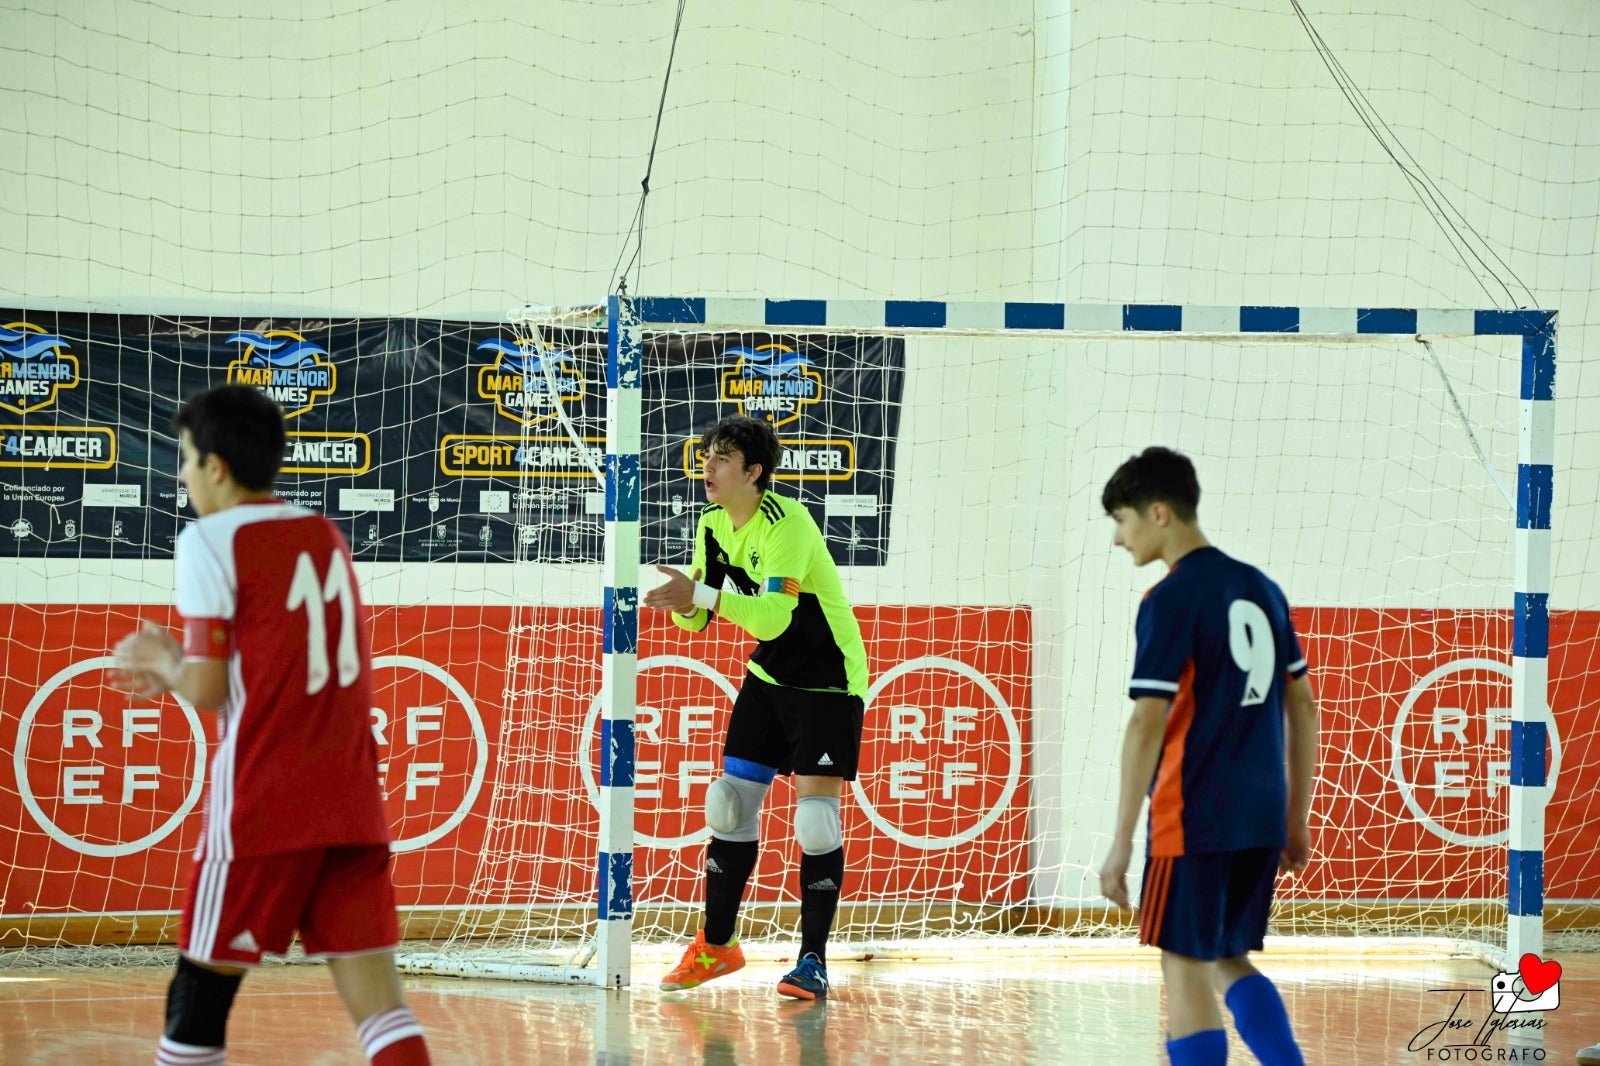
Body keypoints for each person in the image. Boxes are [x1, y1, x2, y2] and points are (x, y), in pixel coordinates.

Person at [111, 384, 429, 1066]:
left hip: (263, 802)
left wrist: (163, 659)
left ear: (216, 468)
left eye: (186, 460)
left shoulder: (208, 541)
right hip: (350, 800)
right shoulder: (322, 534)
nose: (182, 475)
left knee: (196, 1001)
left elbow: (206, 687)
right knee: (384, 1014)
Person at [1095, 447, 1317, 1066]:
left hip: (1193, 814)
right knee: (1224, 954)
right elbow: (1303, 708)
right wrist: (1295, 817)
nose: (1119, 538)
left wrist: (1120, 841)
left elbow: (1146, 723)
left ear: (1158, 513)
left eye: (1122, 520)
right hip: (1260, 815)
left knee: (1185, 965)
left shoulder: (1170, 599)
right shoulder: (1261, 587)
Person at [644, 414, 867, 1001]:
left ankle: (812, 962)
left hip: (828, 680)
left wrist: (702, 597)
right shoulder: (711, 523)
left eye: (721, 458)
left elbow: (773, 617)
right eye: (707, 455)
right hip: (770, 675)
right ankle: (717, 946)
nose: (707, 467)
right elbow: (697, 619)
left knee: (815, 821)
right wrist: (681, 599)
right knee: (728, 804)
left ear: (754, 472)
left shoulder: (787, 522)